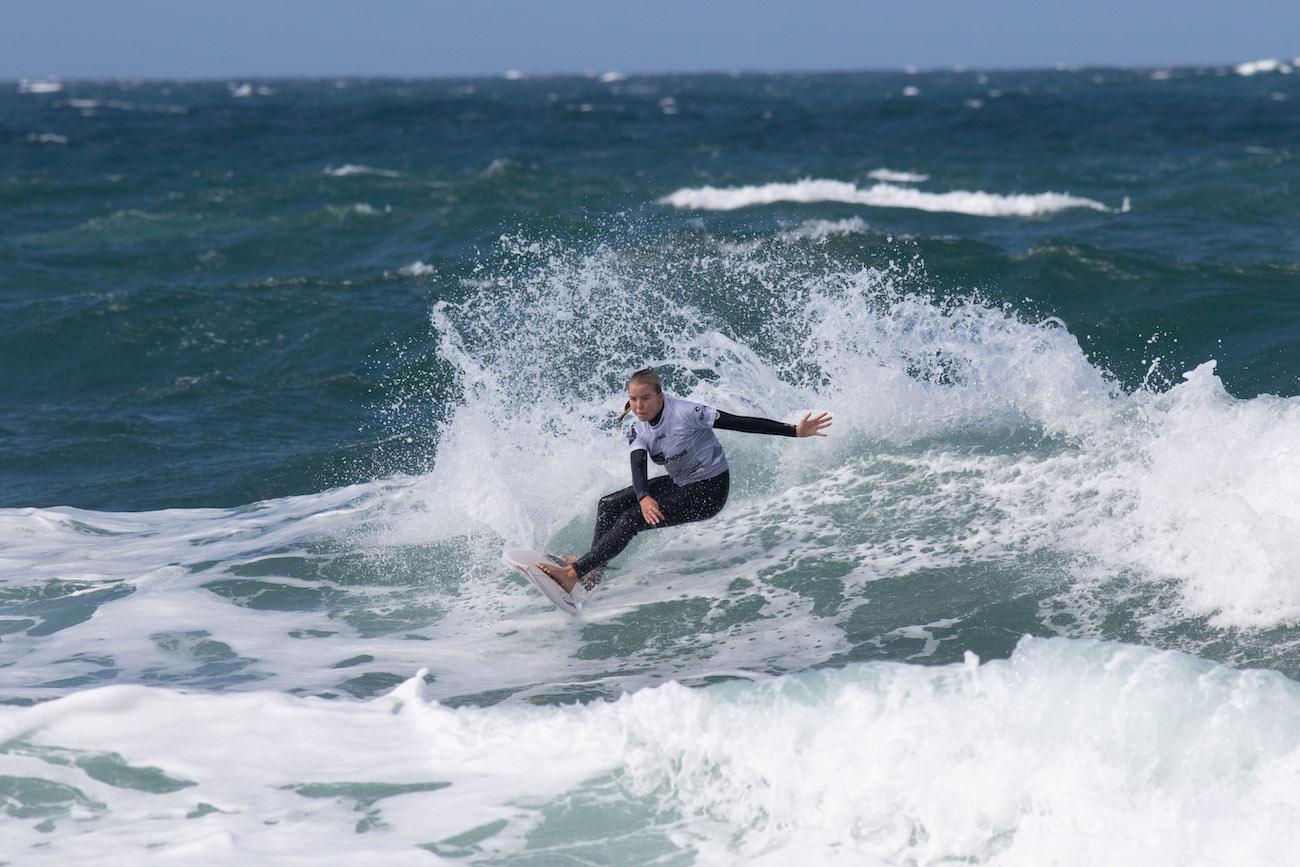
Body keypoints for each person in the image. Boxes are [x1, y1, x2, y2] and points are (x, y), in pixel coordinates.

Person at [536, 368, 832, 594]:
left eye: (646, 398)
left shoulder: (687, 412)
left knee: (630, 520)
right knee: (609, 505)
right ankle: (593, 572)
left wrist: (793, 431)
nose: (639, 406)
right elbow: (637, 464)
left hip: (710, 492)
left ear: (660, 396)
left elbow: (739, 423)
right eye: (633, 399)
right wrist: (643, 496)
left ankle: (573, 574)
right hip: (681, 484)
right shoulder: (639, 428)